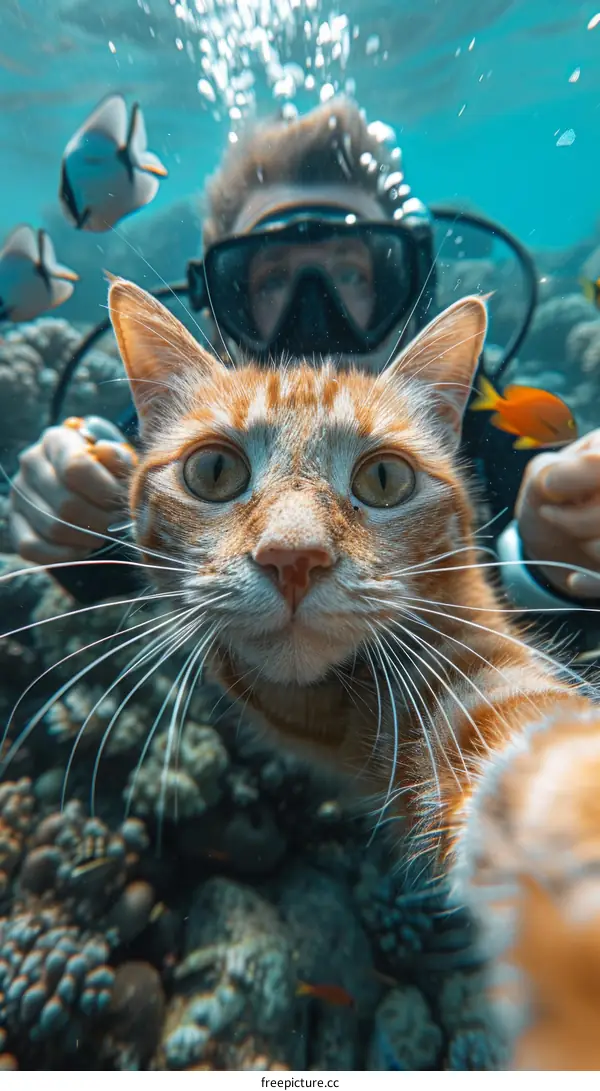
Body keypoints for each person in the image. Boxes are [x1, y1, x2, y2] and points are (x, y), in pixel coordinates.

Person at [8, 98, 600, 645]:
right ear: (224, 307)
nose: (315, 319)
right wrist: (72, 512)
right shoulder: (195, 430)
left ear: (405, 289)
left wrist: (550, 562)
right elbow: (131, 541)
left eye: (349, 276)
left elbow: (537, 578)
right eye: (272, 281)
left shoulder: (478, 415)